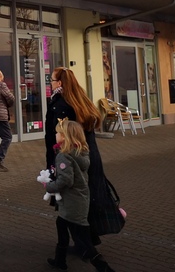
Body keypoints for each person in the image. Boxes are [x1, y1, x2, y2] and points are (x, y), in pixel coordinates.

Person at [41, 119, 116, 271]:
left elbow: (65, 181)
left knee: (83, 239)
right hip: (80, 200)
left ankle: (102, 266)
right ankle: (60, 260)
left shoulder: (63, 156)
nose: (55, 135)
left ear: (65, 136)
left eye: (58, 132)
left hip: (71, 203)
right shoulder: (81, 152)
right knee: (61, 226)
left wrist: (48, 186)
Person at [45, 67, 105, 246]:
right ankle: (90, 238)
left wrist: (55, 159)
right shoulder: (80, 99)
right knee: (86, 197)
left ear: (60, 83)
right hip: (87, 156)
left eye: (52, 80)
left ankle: (84, 246)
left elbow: (60, 135)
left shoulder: (61, 105)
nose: (51, 83)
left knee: (71, 201)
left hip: (70, 158)